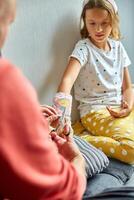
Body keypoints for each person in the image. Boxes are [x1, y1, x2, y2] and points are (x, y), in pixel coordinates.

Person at [0, 0, 87, 199]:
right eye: (7, 23)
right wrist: (76, 158)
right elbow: (66, 192)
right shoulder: (6, 84)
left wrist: (22, 116)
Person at [55, 0, 134, 164]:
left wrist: (127, 107)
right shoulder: (84, 48)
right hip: (94, 111)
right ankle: (80, 138)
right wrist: (63, 118)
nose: (98, 29)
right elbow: (67, 80)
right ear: (85, 22)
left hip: (118, 107)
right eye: (92, 23)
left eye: (104, 23)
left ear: (113, 21)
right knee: (132, 149)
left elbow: (127, 87)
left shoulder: (118, 47)